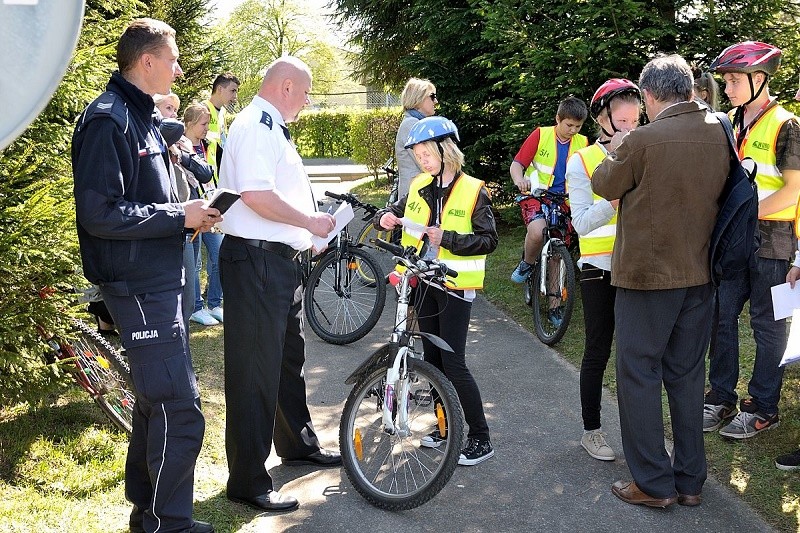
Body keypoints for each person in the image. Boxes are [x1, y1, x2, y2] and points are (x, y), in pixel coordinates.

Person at [71, 18, 221, 533]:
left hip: (159, 280)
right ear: (147, 62)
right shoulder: (108, 121)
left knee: (156, 404)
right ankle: (166, 525)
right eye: (173, 59)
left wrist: (192, 211)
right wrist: (180, 217)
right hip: (135, 288)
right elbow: (100, 212)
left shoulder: (142, 118)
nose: (179, 70)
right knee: (179, 407)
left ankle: (150, 517)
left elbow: (146, 199)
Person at [592, 54, 729, 508]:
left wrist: (618, 145)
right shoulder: (719, 129)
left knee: (638, 373)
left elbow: (604, 184)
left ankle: (652, 482)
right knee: (688, 374)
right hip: (700, 273)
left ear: (649, 96)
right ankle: (690, 480)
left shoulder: (644, 139)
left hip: (648, 277)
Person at [217, 56, 341, 513]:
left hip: (277, 261)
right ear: (286, 86)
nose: (307, 102)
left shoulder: (269, 125)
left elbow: (275, 196)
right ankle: (247, 479)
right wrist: (308, 221)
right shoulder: (255, 125)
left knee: (289, 360)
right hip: (256, 262)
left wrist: (306, 235)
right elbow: (256, 196)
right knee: (254, 371)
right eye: (306, 93)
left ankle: (296, 443)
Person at [375, 115, 499, 466]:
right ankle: (445, 428)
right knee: (433, 362)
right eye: (417, 155)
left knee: (454, 363)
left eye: (427, 153)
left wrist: (448, 239)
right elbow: (395, 211)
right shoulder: (419, 185)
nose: (422, 160)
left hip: (455, 286)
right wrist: (384, 216)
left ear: (446, 151)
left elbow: (489, 240)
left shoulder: (474, 189)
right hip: (422, 281)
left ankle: (480, 437)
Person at [704, 41, 800, 440]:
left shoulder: (787, 125)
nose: (726, 87)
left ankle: (763, 407)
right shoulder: (728, 120)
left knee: (767, 327)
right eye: (724, 80)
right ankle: (721, 396)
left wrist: (742, 213)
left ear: (758, 79)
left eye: (733, 80)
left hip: (774, 244)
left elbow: (793, 191)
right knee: (721, 316)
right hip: (735, 241)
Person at [566, 79, 641, 462]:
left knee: (638, 354)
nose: (630, 128)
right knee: (598, 349)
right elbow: (579, 223)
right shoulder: (582, 161)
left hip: (640, 267)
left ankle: (639, 434)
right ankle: (591, 431)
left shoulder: (647, 150)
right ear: (602, 119)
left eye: (635, 119)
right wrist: (613, 201)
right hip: (599, 267)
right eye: (622, 120)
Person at [509, 97, 588, 286]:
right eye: (569, 125)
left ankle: (555, 305)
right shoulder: (540, 135)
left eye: (578, 126)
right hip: (537, 195)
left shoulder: (583, 142)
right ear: (558, 119)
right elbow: (517, 164)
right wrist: (520, 180)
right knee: (537, 232)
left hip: (565, 200)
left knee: (560, 250)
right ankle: (527, 263)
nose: (573, 131)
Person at [155, 94, 215, 330]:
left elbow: (204, 173)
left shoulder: (180, 143)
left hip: (184, 224)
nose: (173, 115)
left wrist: (181, 155)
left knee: (188, 295)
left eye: (175, 109)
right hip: (160, 226)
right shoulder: (146, 142)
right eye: (167, 108)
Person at [182, 102, 225, 326]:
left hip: (212, 205)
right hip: (192, 210)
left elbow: (213, 173)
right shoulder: (179, 147)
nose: (207, 128)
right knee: (196, 263)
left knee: (219, 254)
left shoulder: (210, 145)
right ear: (189, 124)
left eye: (208, 123)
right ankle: (196, 307)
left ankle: (215, 303)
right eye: (203, 124)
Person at [395, 77, 437, 198]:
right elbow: (428, 165)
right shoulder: (412, 124)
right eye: (432, 96)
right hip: (415, 198)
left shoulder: (417, 123)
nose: (436, 101)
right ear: (418, 99)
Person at [204, 72, 240, 174]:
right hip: (207, 170)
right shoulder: (203, 109)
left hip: (220, 168)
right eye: (232, 91)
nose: (235, 96)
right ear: (219, 89)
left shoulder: (223, 112)